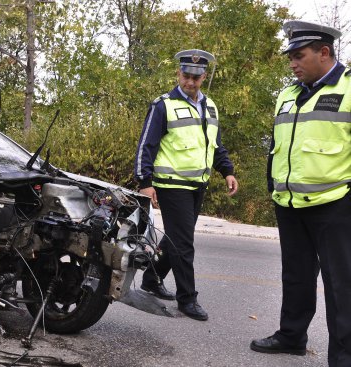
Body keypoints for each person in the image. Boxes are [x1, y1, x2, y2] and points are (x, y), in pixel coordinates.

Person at [250, 20, 351, 366]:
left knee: (342, 286)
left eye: (298, 55)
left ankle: (344, 356)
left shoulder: (349, 89)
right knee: (295, 275)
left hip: (336, 204)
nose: (292, 64)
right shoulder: (288, 94)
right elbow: (279, 147)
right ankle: (291, 336)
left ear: (324, 53)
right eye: (290, 57)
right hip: (289, 203)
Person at [134, 49, 238, 321]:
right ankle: (187, 299)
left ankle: (151, 279)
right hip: (172, 184)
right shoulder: (163, 105)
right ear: (178, 74)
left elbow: (214, 145)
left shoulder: (210, 106)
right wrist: (145, 181)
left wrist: (226, 170)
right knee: (183, 243)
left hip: (197, 185)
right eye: (186, 75)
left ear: (203, 77)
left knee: (176, 239)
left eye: (196, 77)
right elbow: (147, 145)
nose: (190, 81)